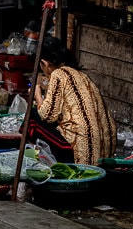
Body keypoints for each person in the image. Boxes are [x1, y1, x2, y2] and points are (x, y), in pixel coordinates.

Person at [31, 36, 116, 165]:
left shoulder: (58, 74)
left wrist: (37, 95)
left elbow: (46, 115)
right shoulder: (82, 75)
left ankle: (37, 159)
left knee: (33, 116)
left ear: (45, 63)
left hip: (83, 153)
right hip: (106, 152)